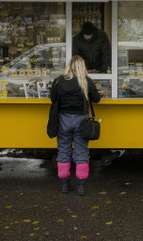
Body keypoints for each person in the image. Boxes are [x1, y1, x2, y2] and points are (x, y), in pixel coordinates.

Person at [50, 55, 101, 196]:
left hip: (63, 120)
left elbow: (52, 98)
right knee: (81, 152)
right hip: (81, 121)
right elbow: (97, 99)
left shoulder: (58, 81)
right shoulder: (86, 82)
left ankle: (64, 185)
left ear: (69, 66)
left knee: (63, 151)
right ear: (82, 67)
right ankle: (80, 186)